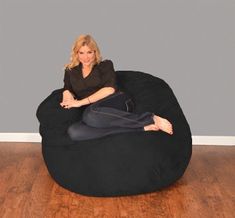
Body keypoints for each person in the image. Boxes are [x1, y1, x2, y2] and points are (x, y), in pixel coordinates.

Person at [60, 34, 173, 141]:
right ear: (76, 53)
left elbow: (110, 89)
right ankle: (139, 128)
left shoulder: (105, 65)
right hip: (97, 113)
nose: (86, 57)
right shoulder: (70, 70)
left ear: (95, 52)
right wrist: (67, 97)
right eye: (81, 53)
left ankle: (150, 118)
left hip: (117, 101)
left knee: (90, 115)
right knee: (74, 132)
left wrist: (80, 103)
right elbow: (67, 88)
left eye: (89, 52)